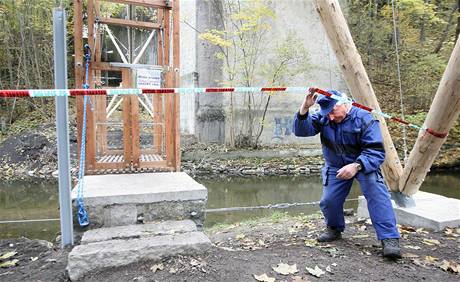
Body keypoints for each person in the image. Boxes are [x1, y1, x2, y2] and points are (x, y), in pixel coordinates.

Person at [293, 88, 401, 259]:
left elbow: (376, 152)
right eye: (327, 113)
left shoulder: (365, 118)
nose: (330, 117)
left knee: (377, 194)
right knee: (329, 201)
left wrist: (356, 165)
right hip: (336, 165)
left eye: (333, 112)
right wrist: (305, 108)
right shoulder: (325, 117)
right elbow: (301, 131)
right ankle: (334, 229)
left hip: (363, 163)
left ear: (343, 103)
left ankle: (389, 239)